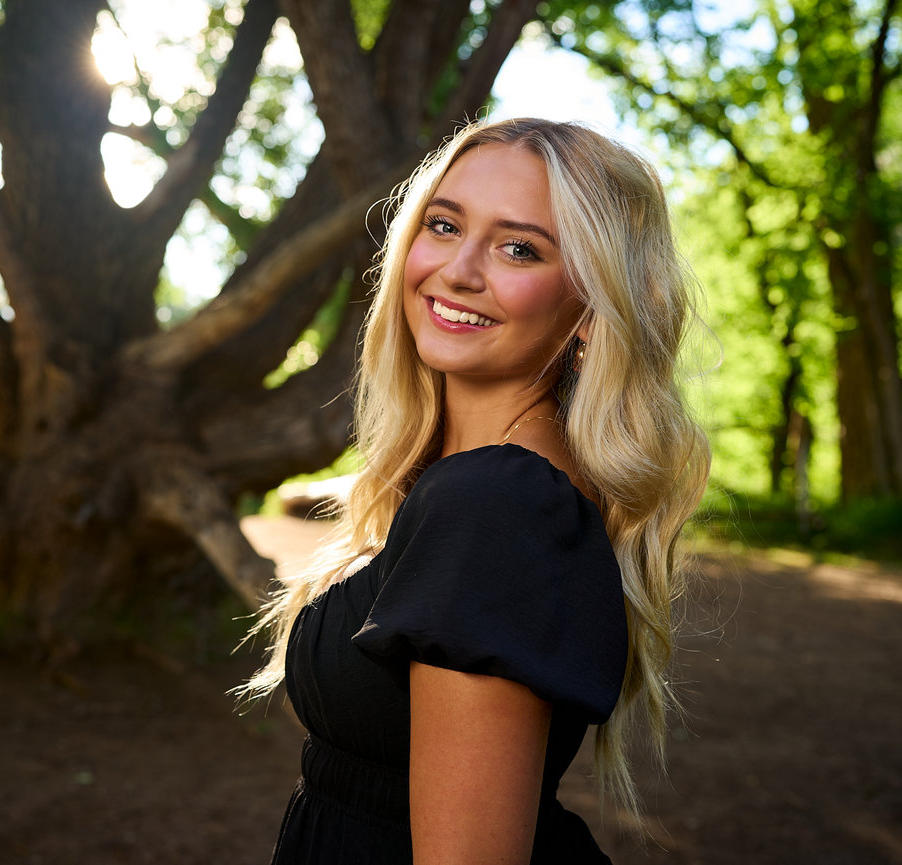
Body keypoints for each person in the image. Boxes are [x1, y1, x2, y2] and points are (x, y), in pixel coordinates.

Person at [241, 117, 710, 864]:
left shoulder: (497, 503)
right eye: (443, 224)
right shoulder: (474, 484)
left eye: (518, 247)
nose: (458, 269)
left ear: (589, 309)